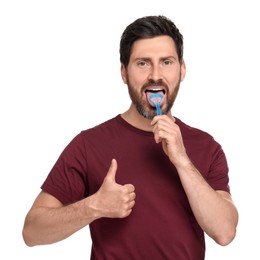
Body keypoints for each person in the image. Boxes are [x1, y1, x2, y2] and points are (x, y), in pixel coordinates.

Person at [22, 15, 239, 259]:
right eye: (143, 63)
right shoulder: (89, 144)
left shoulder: (206, 147)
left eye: (166, 62)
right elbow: (32, 231)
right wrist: (93, 206)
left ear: (182, 69)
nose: (156, 75)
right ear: (124, 73)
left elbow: (225, 232)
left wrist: (182, 161)